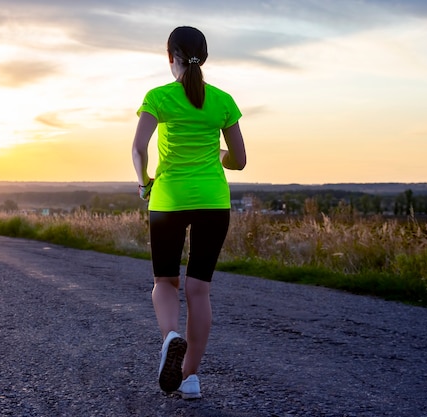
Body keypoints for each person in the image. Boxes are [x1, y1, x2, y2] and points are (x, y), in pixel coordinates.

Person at [131, 26, 247, 400]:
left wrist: (144, 181)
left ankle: (170, 337)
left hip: (168, 199)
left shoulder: (159, 97)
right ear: (205, 57)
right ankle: (191, 376)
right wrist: (218, 155)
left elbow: (138, 148)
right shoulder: (223, 101)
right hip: (214, 202)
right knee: (200, 290)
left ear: (171, 58)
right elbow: (241, 161)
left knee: (165, 282)